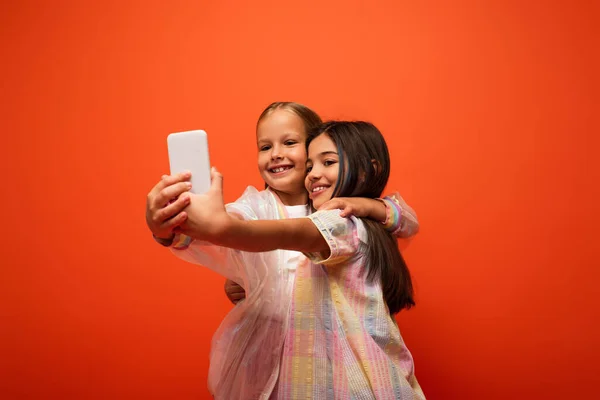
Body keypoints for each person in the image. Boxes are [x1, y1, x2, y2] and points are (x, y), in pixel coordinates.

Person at [177, 120, 425, 399]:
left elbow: (289, 233)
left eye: (328, 162)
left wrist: (221, 228)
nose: (314, 175)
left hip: (357, 384)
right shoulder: (363, 221)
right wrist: (256, 280)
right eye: (309, 167)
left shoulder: (342, 220)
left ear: (369, 169)